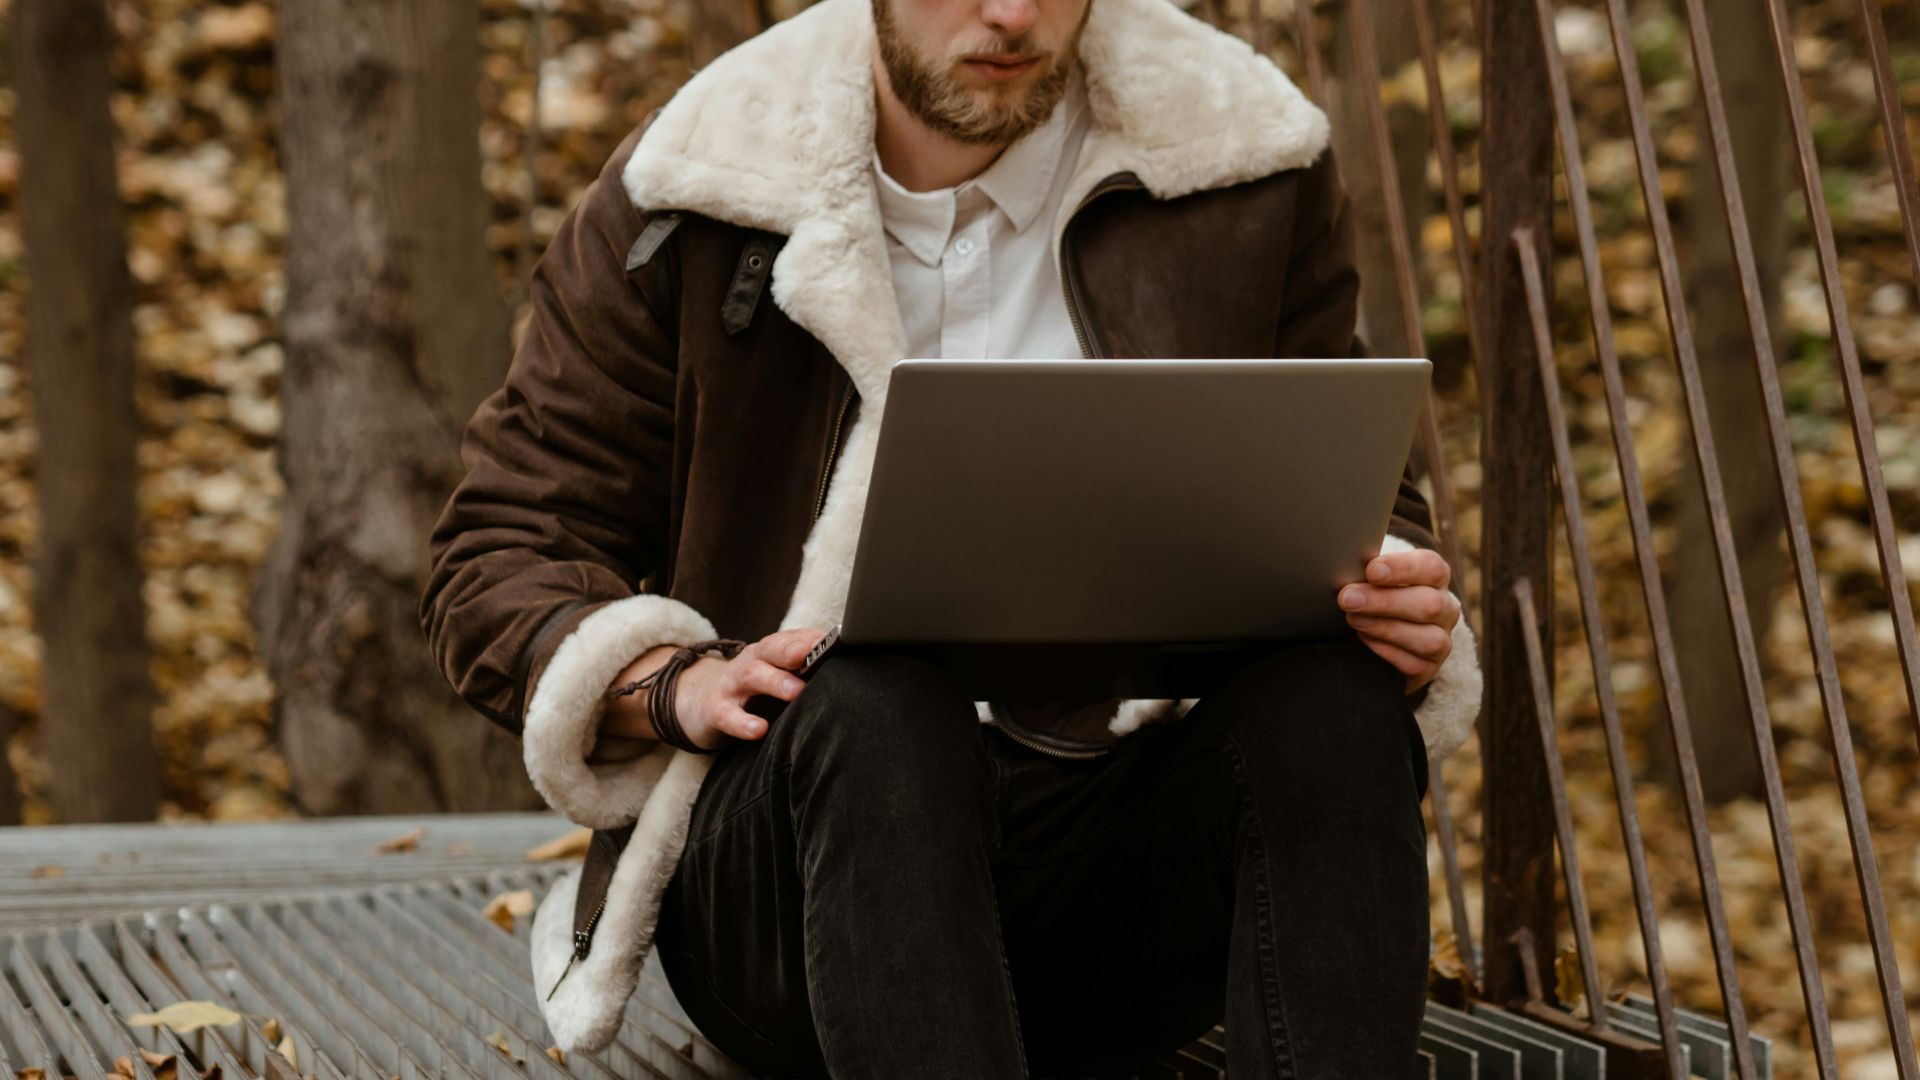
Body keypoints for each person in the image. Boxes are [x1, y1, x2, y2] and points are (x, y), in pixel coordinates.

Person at [419, 0, 1483, 1073]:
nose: (1010, 13)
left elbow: (1354, 500)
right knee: (876, 700)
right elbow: (500, 548)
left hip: (1114, 876)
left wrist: (1386, 596)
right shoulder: (699, 179)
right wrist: (666, 682)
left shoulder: (1240, 157)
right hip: (801, 870)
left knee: (1338, 703)